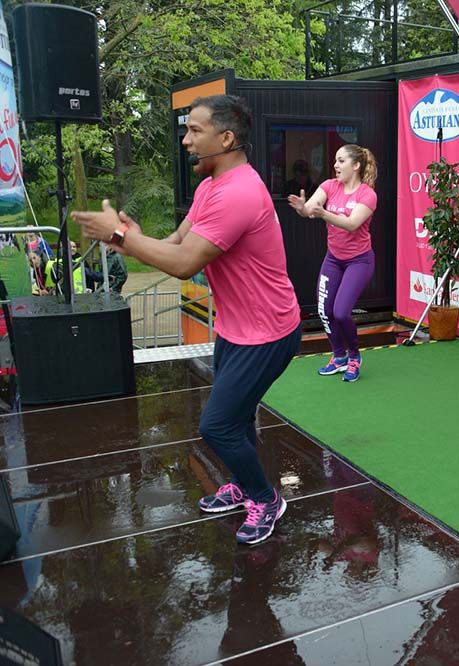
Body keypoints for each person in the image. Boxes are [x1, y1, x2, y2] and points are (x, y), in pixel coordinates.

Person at [72, 94, 301, 545]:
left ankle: (266, 498)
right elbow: (176, 241)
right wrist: (132, 238)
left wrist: (119, 236)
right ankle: (244, 481)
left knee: (216, 425)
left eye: (195, 131)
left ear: (227, 138)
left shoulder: (239, 192)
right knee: (233, 421)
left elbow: (183, 264)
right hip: (238, 327)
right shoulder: (211, 186)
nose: (186, 140)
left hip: (269, 332)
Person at [287, 144, 377, 382]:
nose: (335, 165)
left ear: (356, 165)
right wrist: (302, 209)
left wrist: (322, 214)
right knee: (324, 311)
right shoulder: (329, 185)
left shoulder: (367, 194)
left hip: (359, 261)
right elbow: (310, 209)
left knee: (341, 311)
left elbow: (351, 224)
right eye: (335, 161)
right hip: (333, 259)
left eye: (341, 161)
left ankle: (354, 357)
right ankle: (339, 357)